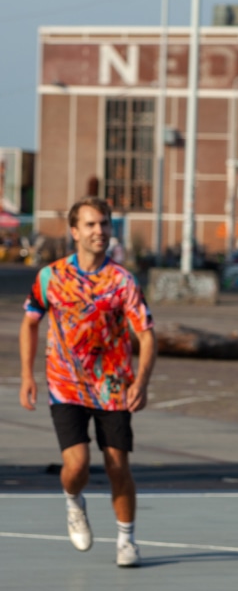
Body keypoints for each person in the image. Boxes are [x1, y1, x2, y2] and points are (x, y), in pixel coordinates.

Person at [19, 195, 156, 568]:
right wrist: (27, 376)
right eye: (92, 224)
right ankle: (73, 502)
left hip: (113, 385)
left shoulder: (122, 280)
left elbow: (146, 335)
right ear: (75, 231)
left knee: (116, 465)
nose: (100, 231)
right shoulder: (51, 277)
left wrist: (140, 382)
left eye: (105, 224)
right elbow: (30, 322)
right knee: (76, 465)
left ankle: (127, 539)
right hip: (64, 383)